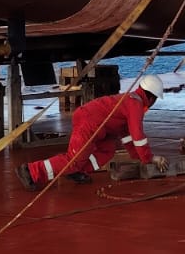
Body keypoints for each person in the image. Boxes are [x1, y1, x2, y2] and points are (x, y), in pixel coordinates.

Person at [19, 75, 166, 189]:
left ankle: (77, 171)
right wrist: (150, 158)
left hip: (101, 128)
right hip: (89, 123)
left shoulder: (130, 100)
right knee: (74, 159)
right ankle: (31, 171)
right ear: (151, 97)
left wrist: (139, 157)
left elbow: (127, 134)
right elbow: (138, 135)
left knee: (107, 150)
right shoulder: (135, 104)